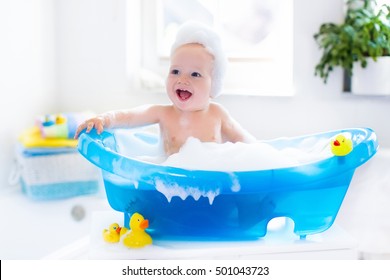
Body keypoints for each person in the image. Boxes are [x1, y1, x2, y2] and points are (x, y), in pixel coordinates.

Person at [74, 21, 256, 155]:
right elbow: (130, 117)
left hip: (212, 189)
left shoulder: (217, 114)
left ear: (213, 84)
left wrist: (265, 160)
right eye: (175, 71)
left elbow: (249, 147)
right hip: (169, 187)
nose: (182, 79)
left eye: (195, 74)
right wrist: (105, 118)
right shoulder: (163, 113)